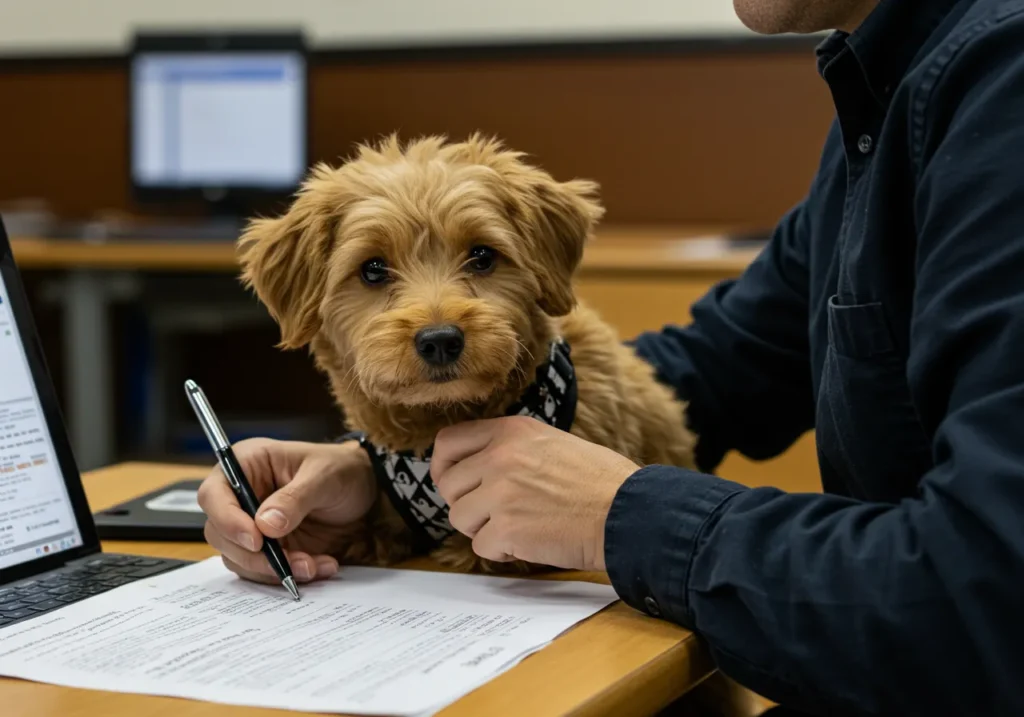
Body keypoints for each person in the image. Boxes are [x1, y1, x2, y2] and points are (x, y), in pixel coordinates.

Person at [198, 0, 1024, 713]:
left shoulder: (1001, 84)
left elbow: (985, 587)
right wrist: (387, 472)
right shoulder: (890, 97)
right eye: (378, 274)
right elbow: (716, 366)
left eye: (481, 260)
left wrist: (616, 513)